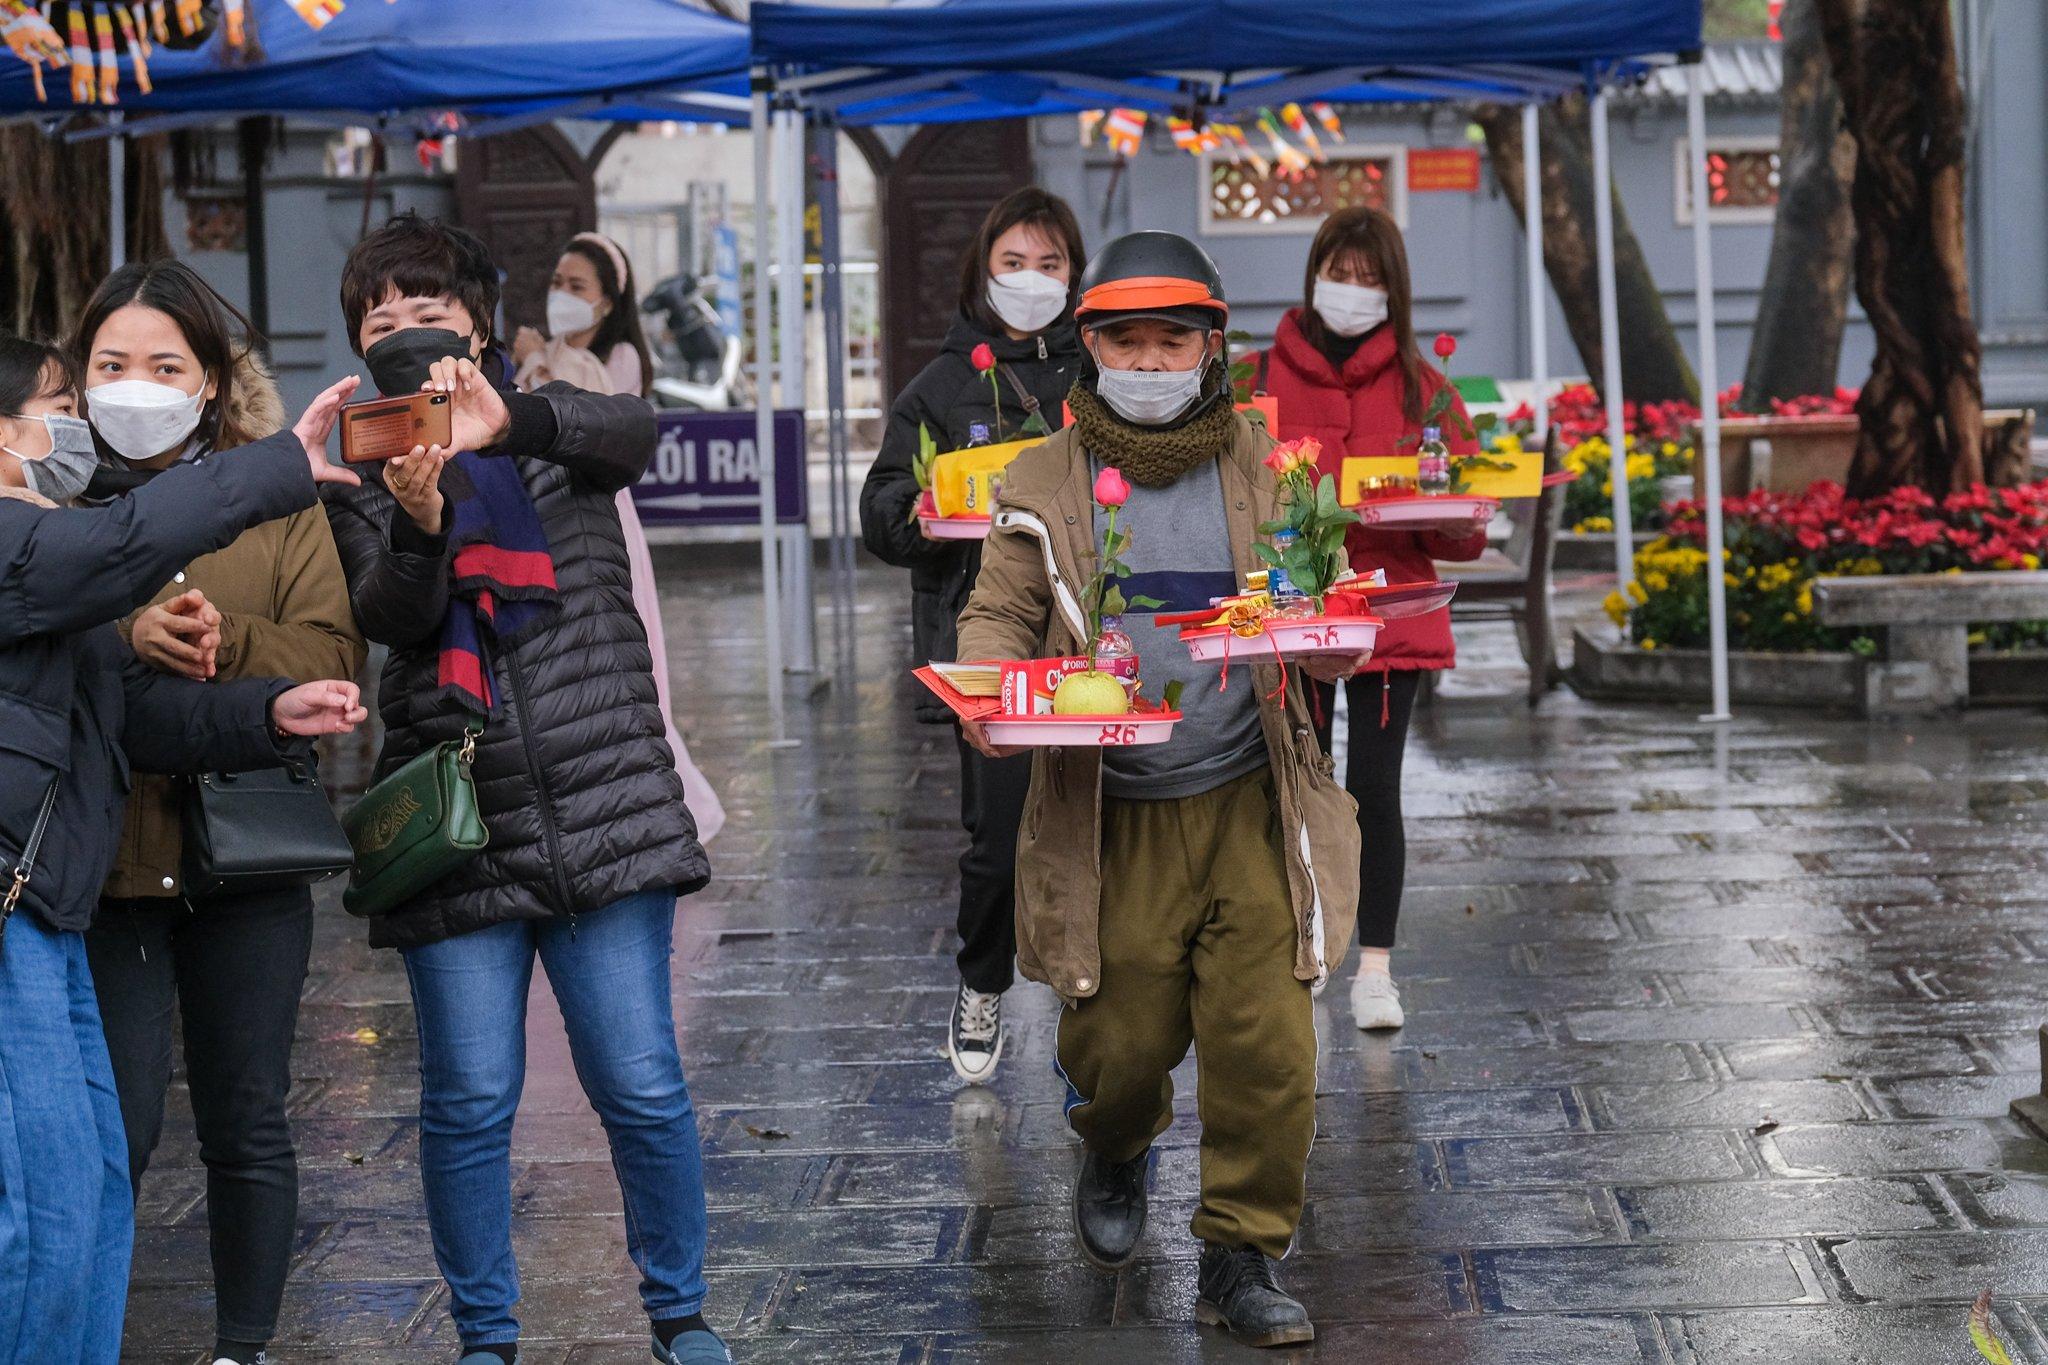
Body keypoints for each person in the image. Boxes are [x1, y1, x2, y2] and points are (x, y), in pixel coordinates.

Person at [323, 212, 727, 1365]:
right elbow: (388, 619)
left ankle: (679, 1317)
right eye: (379, 318)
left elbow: (636, 430)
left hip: (600, 801)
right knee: (467, 1101)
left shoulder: (556, 424)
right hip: (456, 821)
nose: (403, 333)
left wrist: (514, 422)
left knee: (640, 1082)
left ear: (481, 326)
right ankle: (485, 1338)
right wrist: (414, 524)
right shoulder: (360, 461)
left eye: (427, 311)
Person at [954, 231, 1362, 1349]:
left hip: (1247, 796)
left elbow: (1312, 597)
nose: (1146, 359)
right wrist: (990, 693)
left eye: (1168, 338)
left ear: (1209, 346)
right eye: (1123, 340)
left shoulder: (1264, 464)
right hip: (1109, 807)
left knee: (1267, 1041)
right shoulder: (1039, 476)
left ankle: (1240, 1251)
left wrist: (1326, 644)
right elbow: (997, 612)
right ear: (1087, 349)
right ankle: (1115, 1139)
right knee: (1118, 1037)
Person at [0, 330, 368, 1365]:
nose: (80, 425)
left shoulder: (48, 558)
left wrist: (270, 712)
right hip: (20, 906)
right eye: (60, 404)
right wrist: (279, 463)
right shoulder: (23, 546)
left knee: (89, 1182)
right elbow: (123, 548)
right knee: (38, 1197)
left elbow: (126, 721)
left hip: (45, 904)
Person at [858, 187, 1086, 1085]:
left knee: (1095, 833)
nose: (1033, 281)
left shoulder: (1103, 376)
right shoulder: (942, 386)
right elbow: (879, 512)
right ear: (982, 272)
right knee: (997, 837)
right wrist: (916, 513)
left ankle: (1084, 1001)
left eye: (1051, 264)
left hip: (1092, 642)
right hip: (987, 638)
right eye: (1014, 263)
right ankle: (982, 980)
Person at [1243, 206, 1489, 1033]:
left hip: (1392, 621)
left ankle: (1375, 970)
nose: (1350, 293)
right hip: (1295, 618)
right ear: (1313, 277)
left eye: (1369, 279)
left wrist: (1439, 504)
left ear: (1395, 291)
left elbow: (1467, 527)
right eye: (1338, 274)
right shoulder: (1255, 378)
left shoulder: (1425, 387)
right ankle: (1307, 948)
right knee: (1299, 786)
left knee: (1375, 789)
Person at [510, 230, 725, 843]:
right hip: (541, 514)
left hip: (601, 515)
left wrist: (545, 362)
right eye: (557, 283)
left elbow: (598, 407)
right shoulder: (540, 351)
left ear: (607, 302)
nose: (562, 295)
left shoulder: (621, 357)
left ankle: (683, 806)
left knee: (632, 662)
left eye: (577, 287)